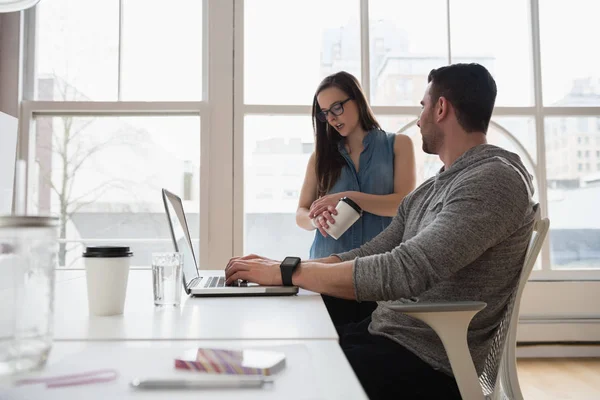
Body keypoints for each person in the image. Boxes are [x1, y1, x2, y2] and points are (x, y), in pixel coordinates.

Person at [225, 63, 536, 400]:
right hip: (389, 333)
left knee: (286, 375)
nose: (420, 119)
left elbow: (406, 269)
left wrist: (289, 273)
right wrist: (281, 266)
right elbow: (371, 252)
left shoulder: (493, 180)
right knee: (289, 338)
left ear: (441, 108)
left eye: (423, 106)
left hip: (428, 360)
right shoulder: (433, 190)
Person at [296, 71, 416, 326]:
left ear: (358, 100)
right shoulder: (320, 157)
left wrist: (350, 198)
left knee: (372, 358)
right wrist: (316, 220)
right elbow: (301, 214)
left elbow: (403, 204)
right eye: (325, 112)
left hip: (380, 275)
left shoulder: (399, 145)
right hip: (326, 274)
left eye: (337, 108)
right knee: (327, 354)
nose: (331, 118)